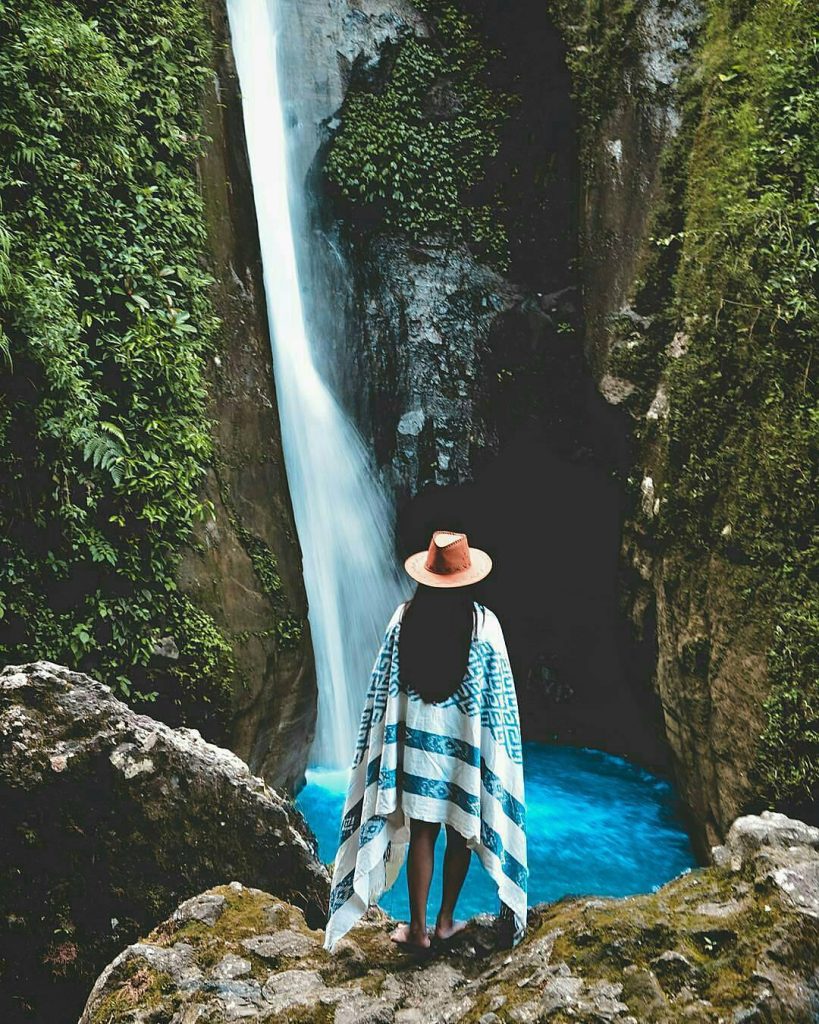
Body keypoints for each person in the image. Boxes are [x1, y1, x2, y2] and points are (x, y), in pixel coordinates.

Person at [323, 530, 527, 954]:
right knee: (461, 833)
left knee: (423, 833)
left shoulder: (404, 619)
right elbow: (499, 702)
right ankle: (446, 922)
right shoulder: (485, 627)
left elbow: (383, 691)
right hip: (464, 754)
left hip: (415, 751)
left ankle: (417, 930)